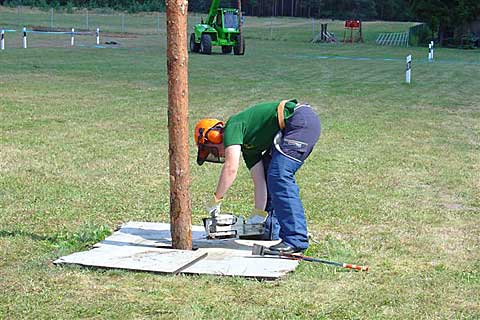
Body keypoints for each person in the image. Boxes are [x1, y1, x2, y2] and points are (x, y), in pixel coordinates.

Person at [194, 99, 321, 253]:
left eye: (212, 150)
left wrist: (216, 199)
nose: (219, 154)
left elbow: (231, 168)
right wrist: (258, 214)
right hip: (295, 125)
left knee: (279, 175)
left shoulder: (232, 127)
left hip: (299, 121)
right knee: (270, 175)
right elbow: (259, 181)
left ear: (214, 136)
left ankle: (295, 240)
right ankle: (269, 230)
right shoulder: (249, 148)